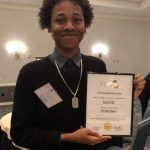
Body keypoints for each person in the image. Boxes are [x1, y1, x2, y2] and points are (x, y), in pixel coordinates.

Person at [10, 0, 145, 150]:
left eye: (77, 20)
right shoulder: (30, 73)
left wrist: (124, 99)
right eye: (60, 20)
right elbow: (19, 133)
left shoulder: (97, 66)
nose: (69, 26)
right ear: (49, 26)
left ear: (85, 25)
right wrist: (66, 137)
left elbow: (105, 116)